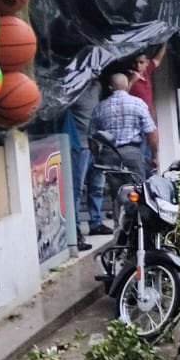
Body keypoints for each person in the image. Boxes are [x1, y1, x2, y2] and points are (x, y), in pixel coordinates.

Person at [86, 73, 157, 236]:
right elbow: (151, 132)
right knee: (138, 190)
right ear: (127, 86)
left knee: (117, 193)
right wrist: (154, 156)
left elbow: (92, 138)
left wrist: (97, 157)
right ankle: (139, 228)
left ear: (110, 87)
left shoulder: (100, 107)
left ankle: (120, 229)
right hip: (133, 152)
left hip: (110, 155)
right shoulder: (138, 104)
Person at [65, 76, 101, 251]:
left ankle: (96, 222)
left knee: (97, 186)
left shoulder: (97, 86)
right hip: (79, 146)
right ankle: (75, 231)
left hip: (95, 144)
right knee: (76, 190)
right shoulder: (72, 91)